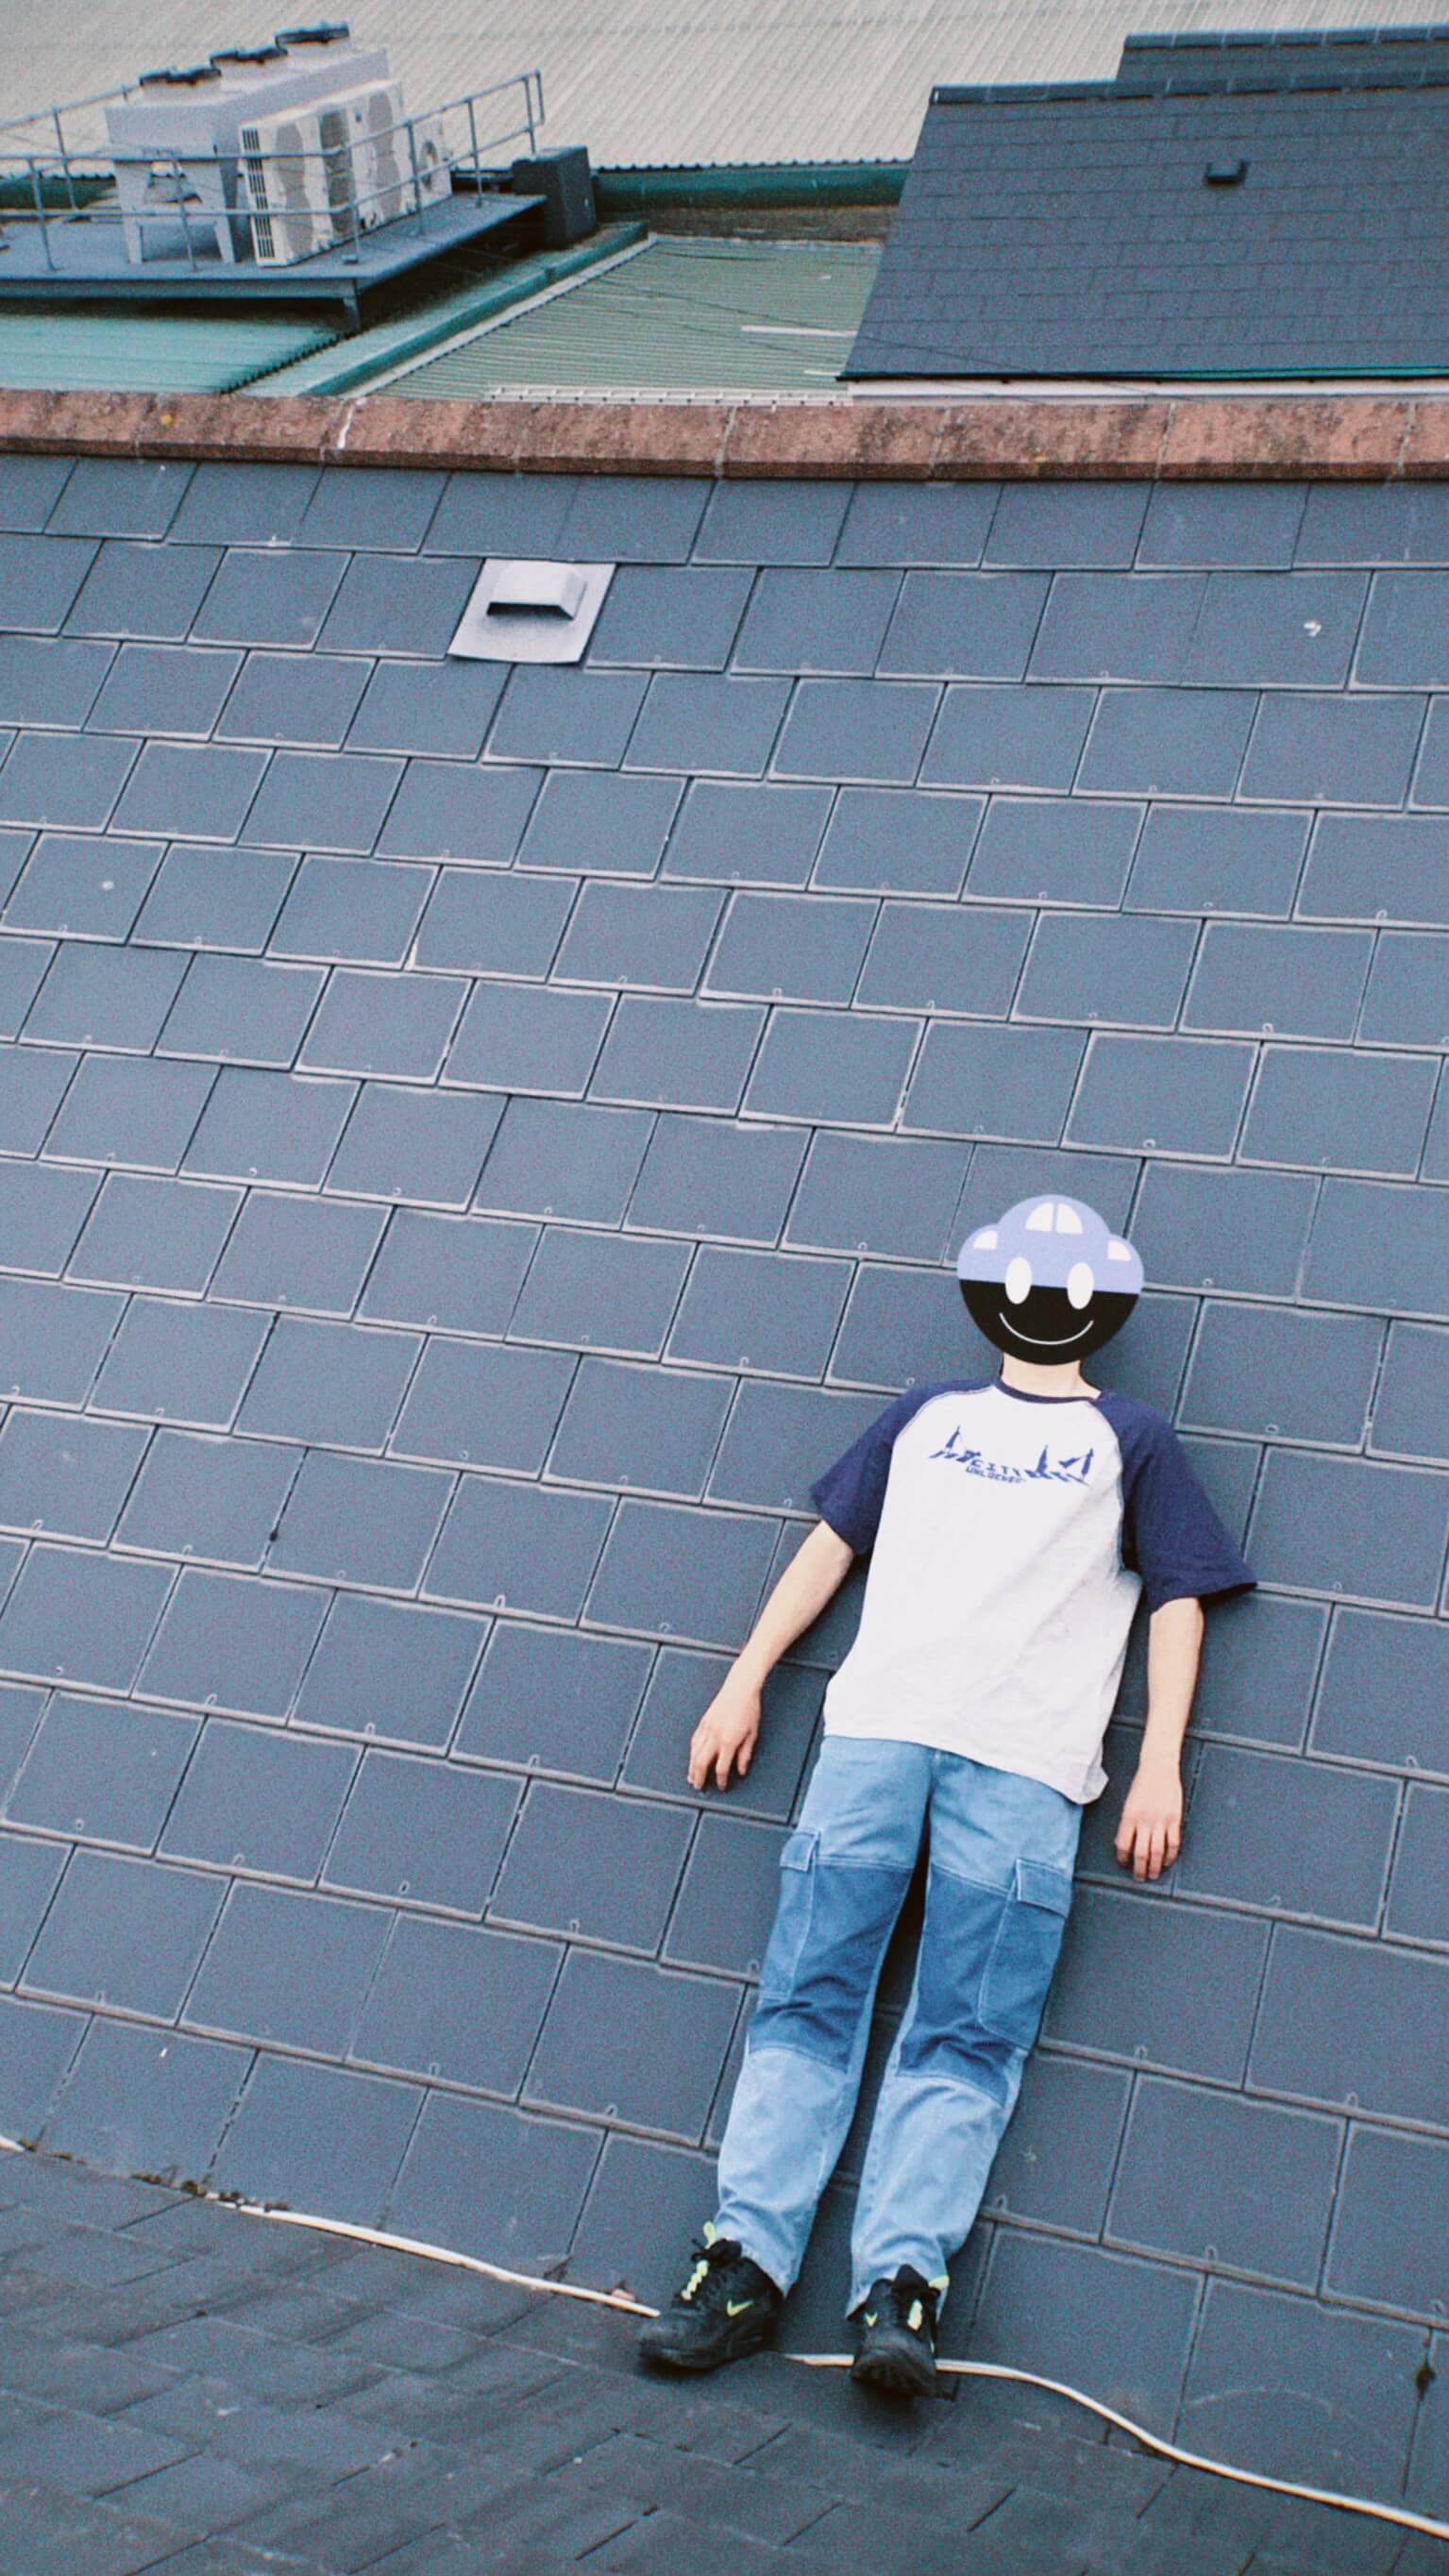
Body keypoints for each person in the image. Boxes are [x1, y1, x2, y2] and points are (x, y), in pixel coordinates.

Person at [637, 1193, 1255, 2397]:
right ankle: (742, 2263)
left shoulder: (1130, 1437)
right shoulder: (924, 1415)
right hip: (874, 1734)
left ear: (1100, 1303)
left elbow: (1177, 1599)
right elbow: (829, 1547)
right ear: (986, 1293)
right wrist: (742, 1679)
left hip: (1025, 1765)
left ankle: (899, 2284)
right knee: (807, 1995)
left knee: (968, 2029)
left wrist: (1159, 1761)